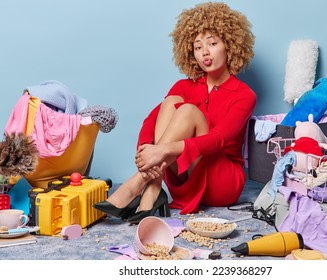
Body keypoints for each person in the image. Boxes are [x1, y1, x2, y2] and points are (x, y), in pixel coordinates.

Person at [94, 2, 256, 224]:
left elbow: (219, 139)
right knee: (171, 102)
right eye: (198, 47)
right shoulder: (184, 86)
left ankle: (138, 185)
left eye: (212, 43)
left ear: (230, 45)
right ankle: (152, 186)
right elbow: (151, 120)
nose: (204, 52)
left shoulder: (244, 95)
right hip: (183, 176)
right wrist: (146, 153)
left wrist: (162, 151)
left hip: (222, 180)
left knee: (188, 111)